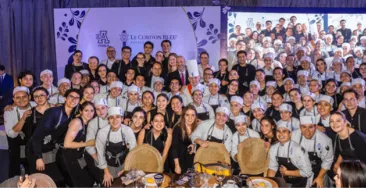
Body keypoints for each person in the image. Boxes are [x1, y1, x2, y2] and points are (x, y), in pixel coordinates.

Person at [28, 89, 80, 186]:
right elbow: (37, 136)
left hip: (50, 149)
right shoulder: (53, 112)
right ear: (65, 98)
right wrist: (38, 157)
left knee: (57, 179)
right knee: (40, 182)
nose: (73, 99)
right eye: (71, 96)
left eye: (77, 97)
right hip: (36, 150)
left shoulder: (72, 116)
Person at [57, 101, 95, 188]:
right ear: (81, 111)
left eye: (92, 110)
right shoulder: (77, 122)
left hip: (76, 156)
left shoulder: (88, 123)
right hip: (66, 155)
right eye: (86, 110)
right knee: (77, 184)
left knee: (87, 181)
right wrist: (87, 143)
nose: (89, 113)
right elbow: (67, 144)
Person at [96, 107, 136, 187]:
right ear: (108, 120)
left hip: (125, 164)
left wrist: (126, 169)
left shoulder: (128, 131)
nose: (114, 120)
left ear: (122, 119)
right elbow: (100, 154)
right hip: (108, 165)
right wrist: (106, 172)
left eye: (117, 117)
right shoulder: (102, 133)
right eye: (111, 117)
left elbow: (133, 152)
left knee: (127, 186)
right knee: (109, 185)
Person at [267, 121, 313, 188]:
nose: (281, 134)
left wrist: (287, 172)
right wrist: (269, 183)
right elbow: (272, 168)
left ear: (290, 134)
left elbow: (307, 172)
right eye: (278, 131)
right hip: (282, 181)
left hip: (298, 183)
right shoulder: (274, 148)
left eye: (284, 131)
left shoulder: (298, 150)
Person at [292, 116, 334, 188]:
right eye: (304, 127)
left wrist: (320, 177)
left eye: (310, 127)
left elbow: (328, 160)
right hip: (299, 170)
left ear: (315, 127)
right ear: (300, 127)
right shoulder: (293, 136)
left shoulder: (325, 140)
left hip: (318, 171)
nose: (307, 131)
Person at [5, 87, 33, 177]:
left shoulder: (35, 106)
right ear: (13, 99)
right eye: (17, 97)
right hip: (16, 143)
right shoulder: (9, 111)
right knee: (15, 169)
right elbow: (11, 134)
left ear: (29, 97)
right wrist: (23, 118)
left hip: (32, 142)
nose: (21, 100)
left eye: (24, 97)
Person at [85, 98, 109, 186]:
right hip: (95, 155)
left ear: (107, 108)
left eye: (103, 108)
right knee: (103, 181)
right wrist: (99, 160)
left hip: (109, 154)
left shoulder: (113, 119)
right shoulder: (92, 123)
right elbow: (88, 146)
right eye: (97, 109)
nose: (101, 111)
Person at [171, 105, 198, 174]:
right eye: (187, 115)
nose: (190, 118)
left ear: (195, 117)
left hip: (193, 160)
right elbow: (174, 148)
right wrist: (177, 166)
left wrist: (194, 145)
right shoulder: (178, 128)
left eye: (193, 115)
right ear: (183, 116)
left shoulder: (198, 127)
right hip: (179, 160)